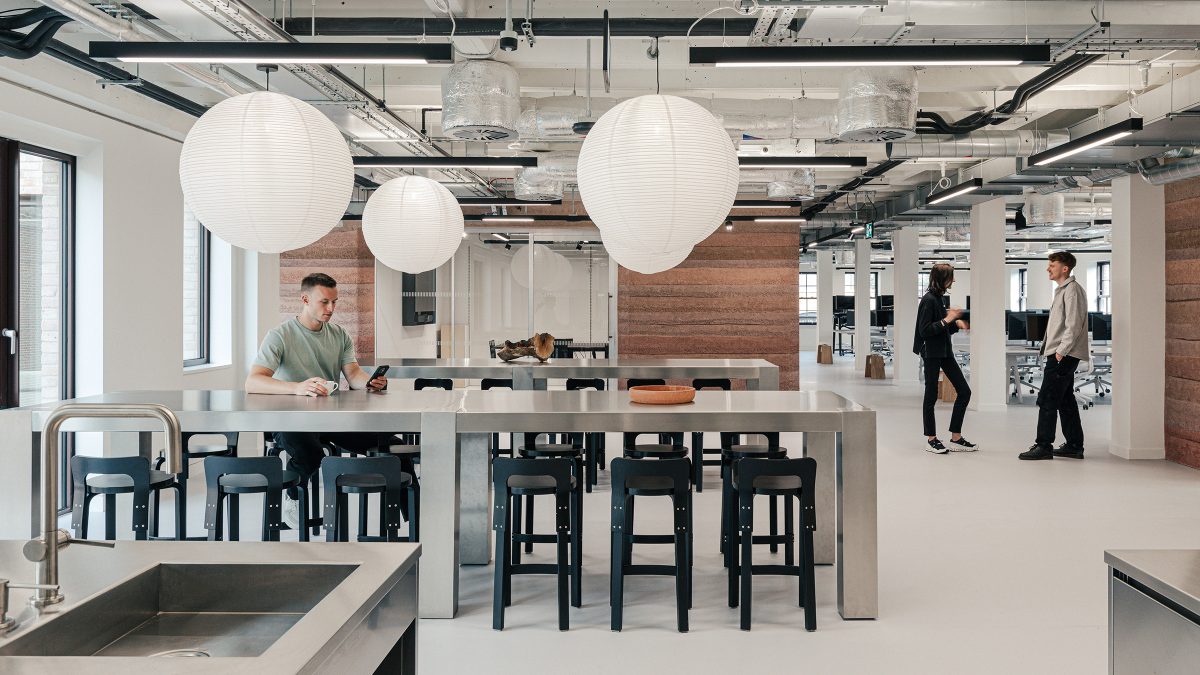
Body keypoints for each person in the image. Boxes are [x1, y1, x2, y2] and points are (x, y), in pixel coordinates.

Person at [246, 272, 389, 527]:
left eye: (334, 302)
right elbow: (253, 381)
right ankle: (293, 497)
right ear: (305, 299)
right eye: (325, 302)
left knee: (390, 444)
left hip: (331, 419)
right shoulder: (279, 335)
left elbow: (353, 373)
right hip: (291, 420)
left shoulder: (339, 335)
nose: (331, 308)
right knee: (309, 452)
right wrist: (296, 388)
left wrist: (368, 382)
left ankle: (411, 519)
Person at [1019, 251, 1089, 460]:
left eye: (1052, 265)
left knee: (1047, 399)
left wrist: (1060, 352)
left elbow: (1073, 325)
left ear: (1064, 268)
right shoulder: (1063, 290)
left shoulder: (1072, 291)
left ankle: (1043, 446)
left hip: (1063, 354)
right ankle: (1074, 445)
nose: (1048, 268)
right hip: (1061, 353)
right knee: (1065, 400)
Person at [913, 263, 978, 454]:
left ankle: (956, 438)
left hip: (944, 351)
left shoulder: (940, 299)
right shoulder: (928, 300)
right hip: (932, 353)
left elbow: (942, 328)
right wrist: (948, 319)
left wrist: (956, 323)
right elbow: (925, 331)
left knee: (964, 392)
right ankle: (931, 439)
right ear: (942, 279)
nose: (954, 280)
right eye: (951, 276)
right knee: (931, 395)